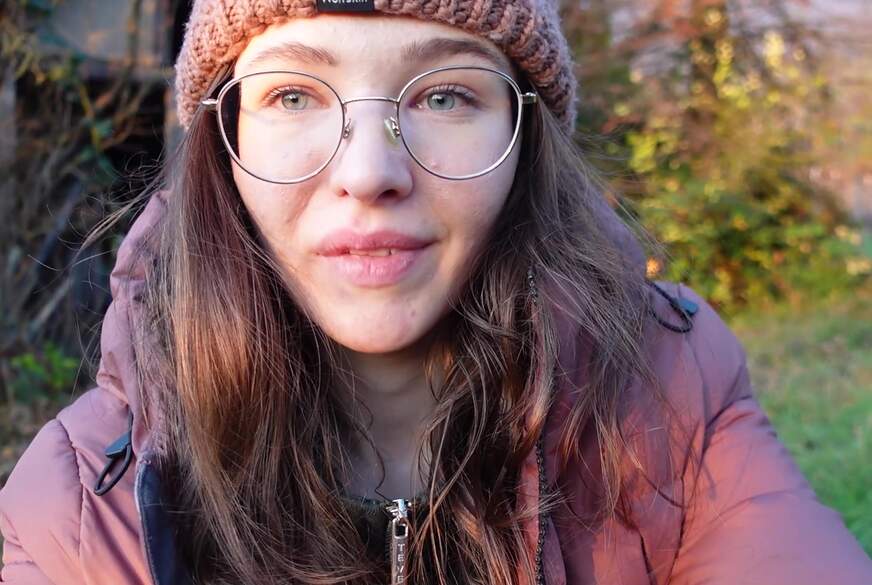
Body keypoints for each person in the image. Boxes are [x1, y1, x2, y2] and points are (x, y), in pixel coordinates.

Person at [1, 1, 871, 584]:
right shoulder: (78, 505)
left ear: (525, 139)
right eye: (293, 95)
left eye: (446, 95)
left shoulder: (672, 396)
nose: (369, 171)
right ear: (221, 146)